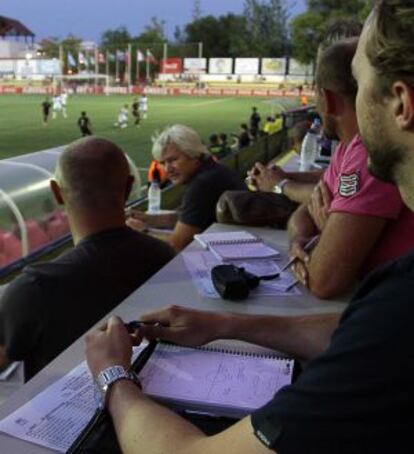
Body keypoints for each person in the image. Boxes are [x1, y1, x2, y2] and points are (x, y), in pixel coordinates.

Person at [86, 3, 414, 452]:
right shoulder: (392, 308)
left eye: (361, 83)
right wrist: (222, 323)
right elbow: (355, 333)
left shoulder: (402, 309)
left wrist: (113, 377)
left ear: (400, 103)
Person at [0, 137, 175, 381]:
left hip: (62, 415)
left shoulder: (35, 287)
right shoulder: (164, 256)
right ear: (128, 188)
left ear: (57, 193)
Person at [254, 38, 414, 299]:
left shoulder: (368, 153)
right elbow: (304, 214)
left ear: (327, 99)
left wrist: (319, 243)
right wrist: (300, 243)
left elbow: (322, 281)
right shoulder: (348, 148)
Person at [127, 125, 246, 251]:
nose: (167, 169)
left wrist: (142, 231)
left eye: (173, 160)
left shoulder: (202, 184)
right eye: (163, 163)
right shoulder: (212, 171)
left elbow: (176, 244)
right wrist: (148, 219)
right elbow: (188, 217)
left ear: (193, 154)